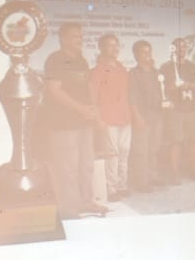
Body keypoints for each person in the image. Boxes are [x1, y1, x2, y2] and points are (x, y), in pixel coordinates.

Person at [41, 23, 105, 217]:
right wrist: (81, 108)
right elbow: (54, 90)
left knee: (86, 165)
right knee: (67, 169)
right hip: (63, 124)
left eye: (81, 36)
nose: (80, 39)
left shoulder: (81, 60)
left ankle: (86, 202)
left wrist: (94, 111)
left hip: (84, 122)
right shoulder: (54, 60)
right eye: (75, 36)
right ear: (63, 39)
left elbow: (89, 88)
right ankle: (68, 209)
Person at [90, 33, 133, 200]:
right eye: (110, 45)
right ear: (101, 48)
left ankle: (122, 186)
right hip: (108, 119)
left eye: (117, 45)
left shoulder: (121, 68)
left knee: (124, 153)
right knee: (112, 155)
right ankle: (111, 189)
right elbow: (92, 97)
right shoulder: (97, 71)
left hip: (125, 118)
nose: (115, 48)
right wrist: (98, 120)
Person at [159, 37, 195, 181]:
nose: (181, 50)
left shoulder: (192, 66)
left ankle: (193, 169)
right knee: (176, 142)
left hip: (191, 109)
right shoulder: (166, 67)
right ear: (172, 49)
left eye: (184, 47)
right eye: (178, 47)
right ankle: (175, 172)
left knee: (192, 141)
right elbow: (161, 89)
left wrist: (188, 85)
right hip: (176, 111)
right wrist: (174, 87)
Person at [127, 40, 167, 193]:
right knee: (141, 151)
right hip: (142, 117)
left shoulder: (156, 73)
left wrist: (166, 103)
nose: (147, 55)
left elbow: (162, 93)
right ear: (136, 55)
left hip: (157, 116)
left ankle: (152, 176)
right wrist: (137, 117)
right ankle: (142, 182)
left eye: (149, 51)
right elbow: (132, 97)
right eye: (143, 52)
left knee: (154, 149)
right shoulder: (133, 73)